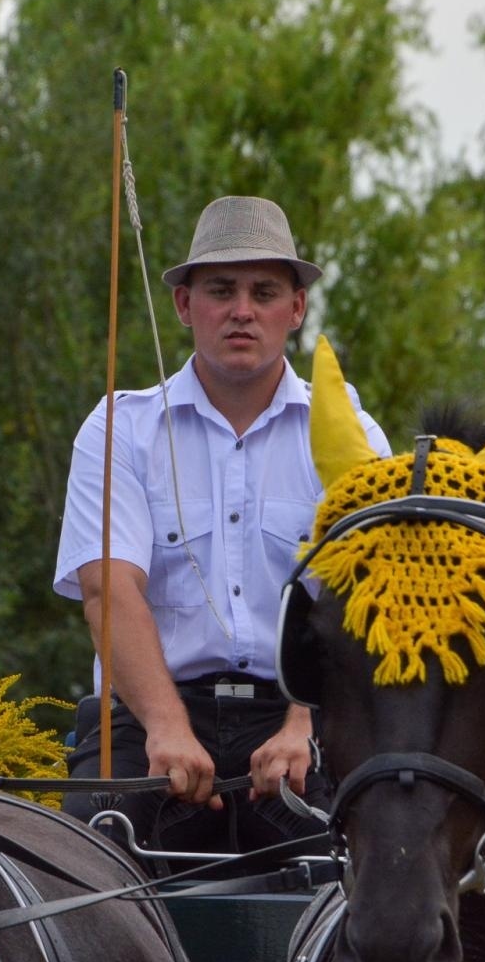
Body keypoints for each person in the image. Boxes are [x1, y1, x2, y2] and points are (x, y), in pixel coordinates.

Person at [53, 195, 391, 855]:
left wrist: (306, 724)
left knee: (369, 866)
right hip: (143, 717)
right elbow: (108, 591)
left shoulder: (352, 431)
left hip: (301, 713)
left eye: (264, 291)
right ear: (184, 306)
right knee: (81, 870)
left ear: (295, 310)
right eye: (220, 290)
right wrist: (167, 726)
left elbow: (367, 594)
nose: (242, 310)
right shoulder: (120, 427)